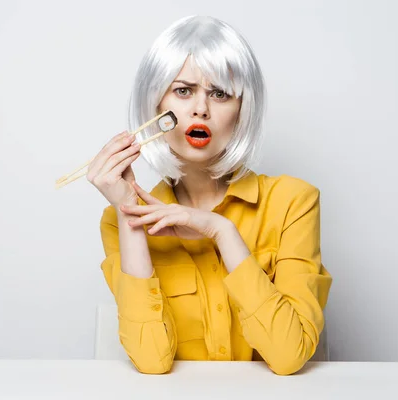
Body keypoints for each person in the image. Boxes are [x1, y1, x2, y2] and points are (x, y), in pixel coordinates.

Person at [86, 15, 332, 375]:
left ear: (242, 110)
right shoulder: (119, 220)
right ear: (155, 105)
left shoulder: (293, 202)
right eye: (183, 91)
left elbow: (289, 356)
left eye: (219, 93)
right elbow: (151, 362)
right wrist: (129, 212)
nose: (201, 108)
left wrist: (222, 232)